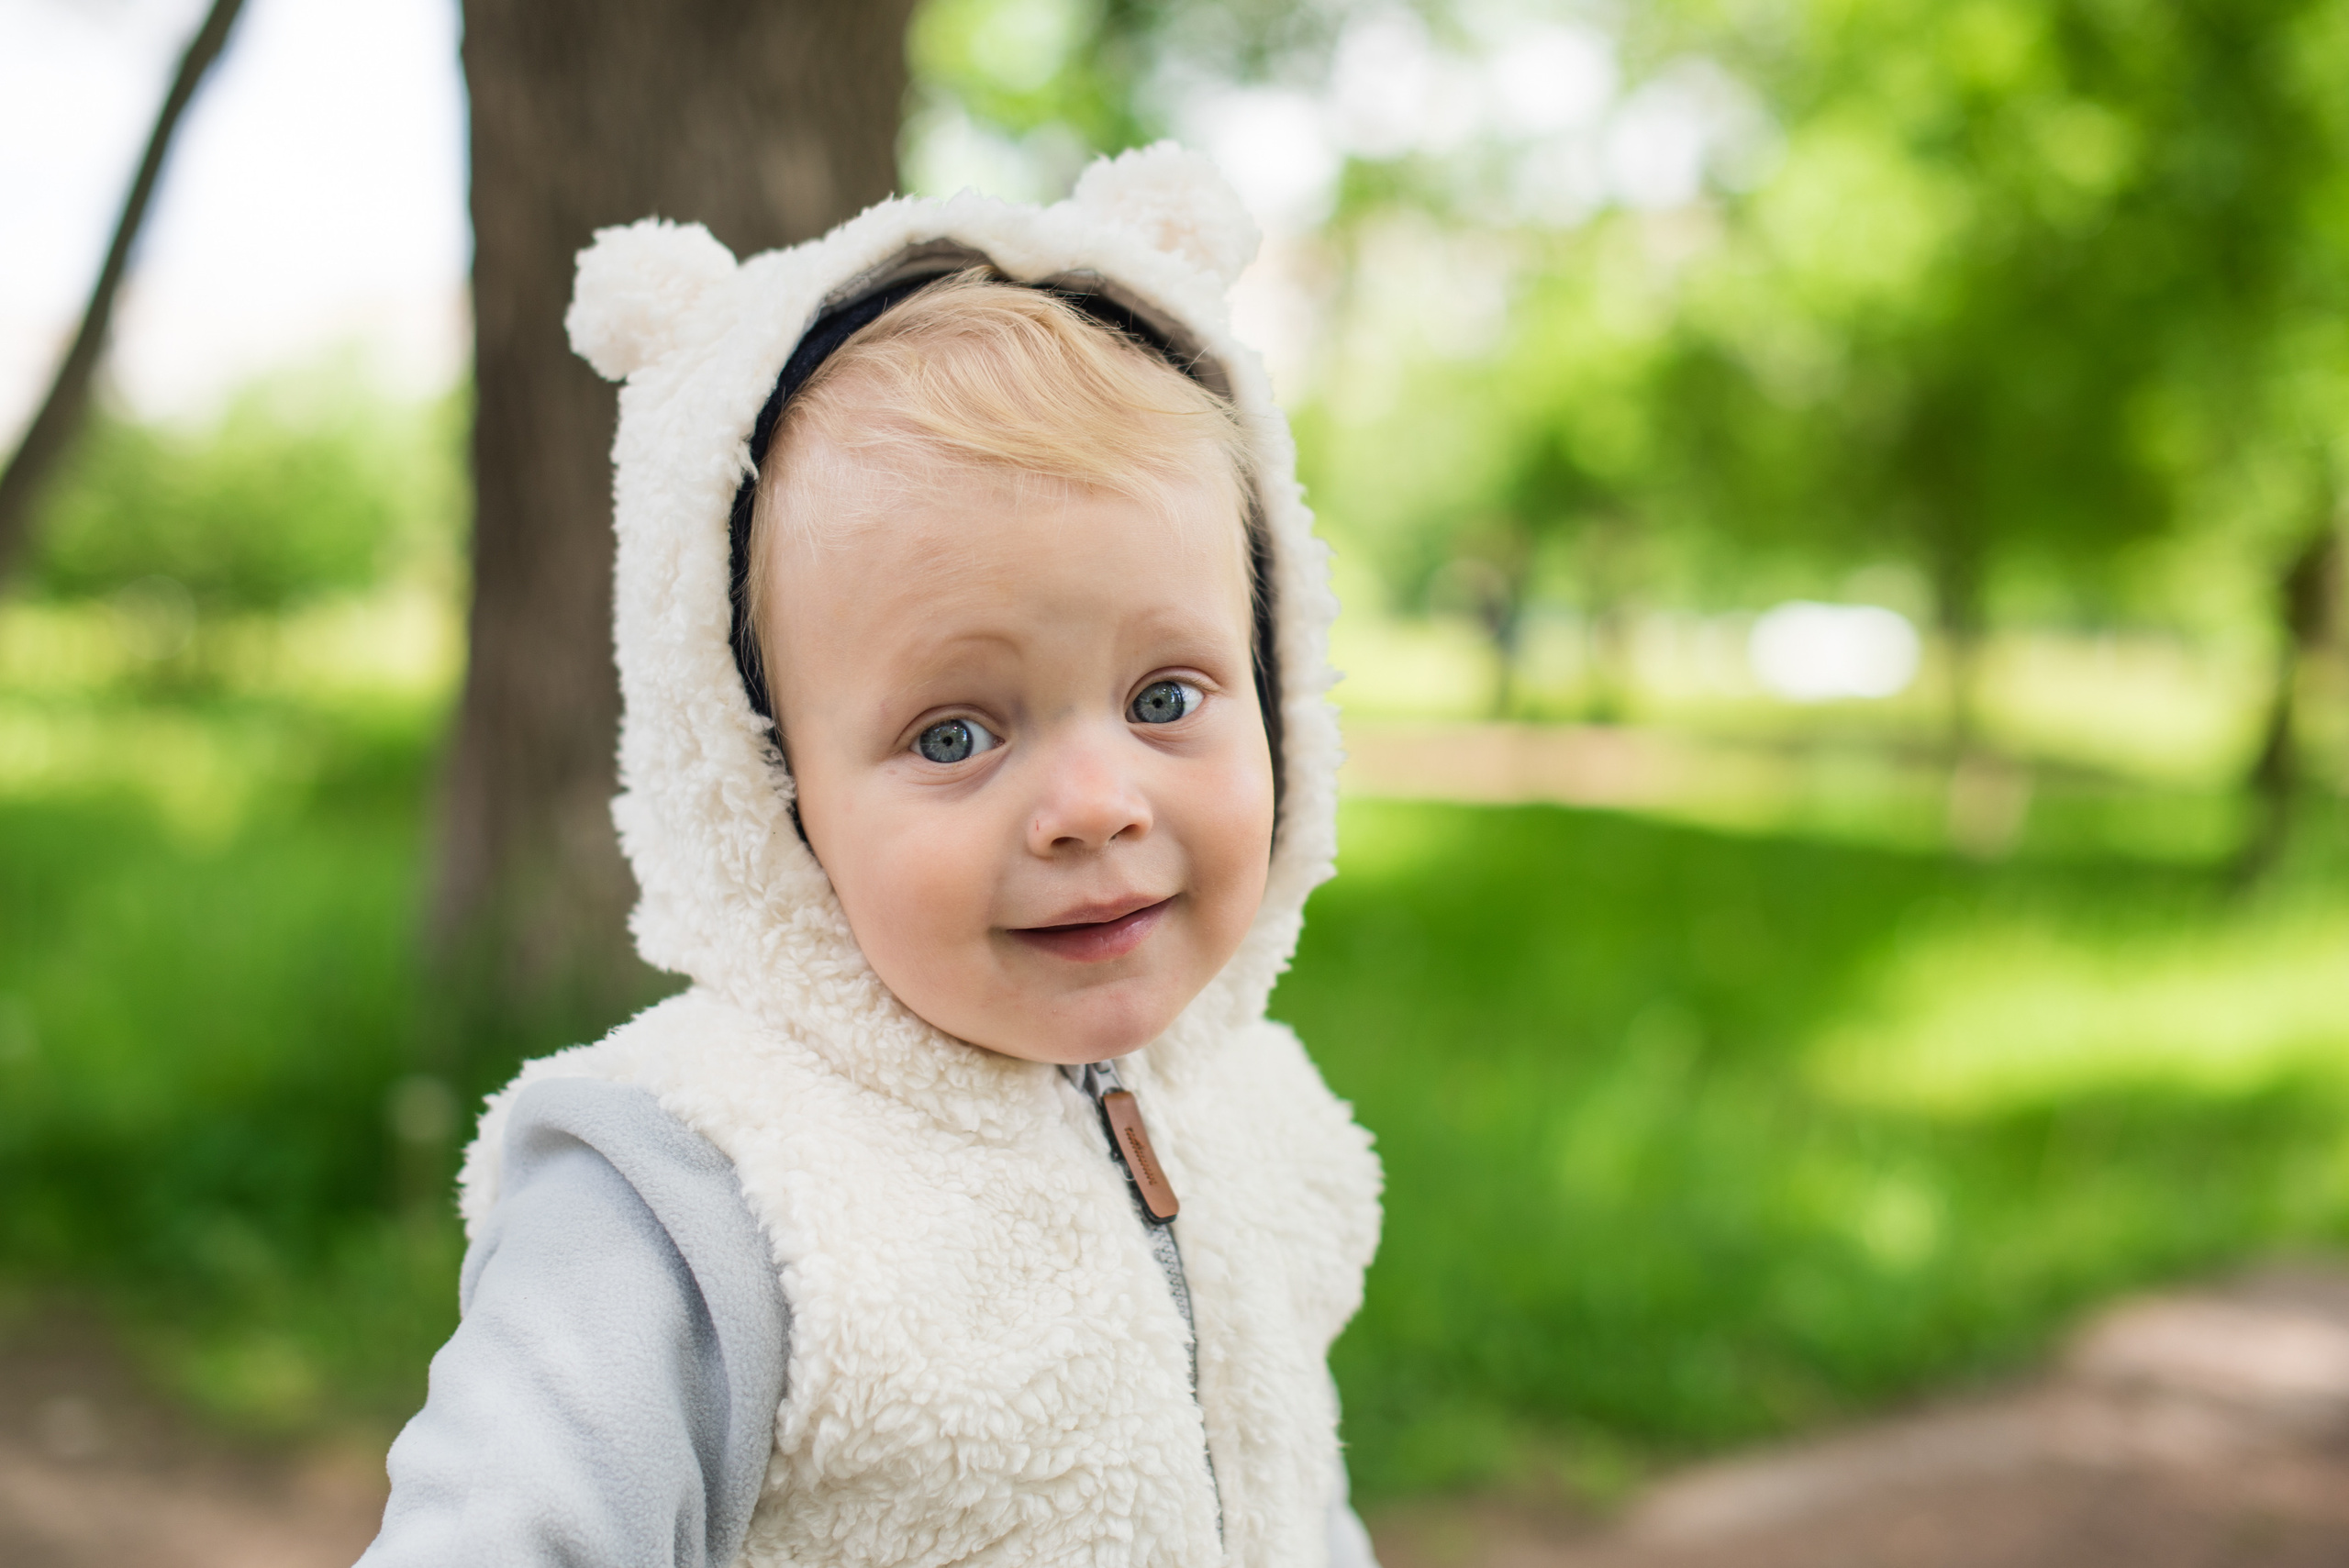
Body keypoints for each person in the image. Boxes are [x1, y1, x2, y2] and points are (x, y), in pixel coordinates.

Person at [359, 143, 1384, 1568]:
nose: (1094, 803)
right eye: (957, 732)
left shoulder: (1261, 1114)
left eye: (1165, 698)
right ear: (769, 782)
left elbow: (1290, 1493)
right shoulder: (695, 1189)